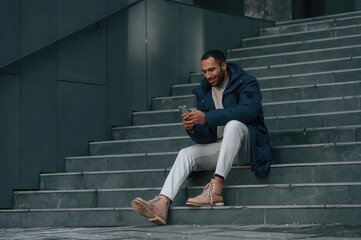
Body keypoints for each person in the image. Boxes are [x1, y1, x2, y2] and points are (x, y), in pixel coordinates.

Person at [131, 49, 273, 225]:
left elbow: (249, 112)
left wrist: (206, 117)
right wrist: (193, 128)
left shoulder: (247, 82)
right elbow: (206, 137)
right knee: (186, 153)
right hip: (222, 149)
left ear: (223, 66)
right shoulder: (204, 93)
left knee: (233, 125)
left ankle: (216, 189)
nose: (208, 75)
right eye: (204, 71)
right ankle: (162, 203)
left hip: (247, 147)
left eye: (212, 70)